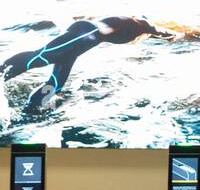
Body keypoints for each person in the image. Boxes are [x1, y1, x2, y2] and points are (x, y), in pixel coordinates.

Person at [2, 17, 169, 118]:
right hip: (86, 34)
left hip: (83, 41)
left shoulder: (133, 25)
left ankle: (31, 109)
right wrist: (167, 34)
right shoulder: (132, 24)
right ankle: (2, 73)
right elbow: (106, 27)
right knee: (40, 57)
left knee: (57, 84)